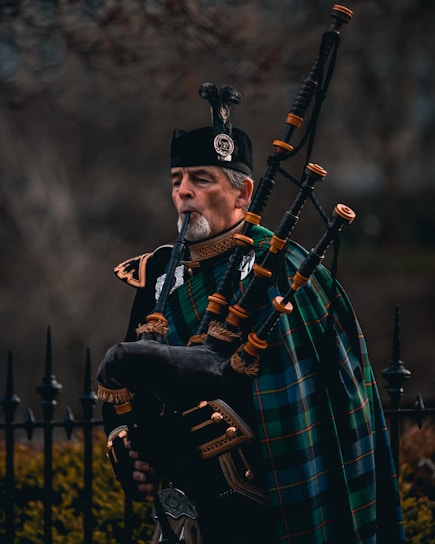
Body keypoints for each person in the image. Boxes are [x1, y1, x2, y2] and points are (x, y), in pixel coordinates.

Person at [97, 83, 405, 544]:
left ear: (243, 193)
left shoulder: (281, 265)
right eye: (176, 179)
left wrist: (201, 421)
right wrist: (124, 440)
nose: (184, 192)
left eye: (201, 179)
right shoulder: (158, 273)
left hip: (268, 497)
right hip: (185, 507)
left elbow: (297, 396)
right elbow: (128, 389)